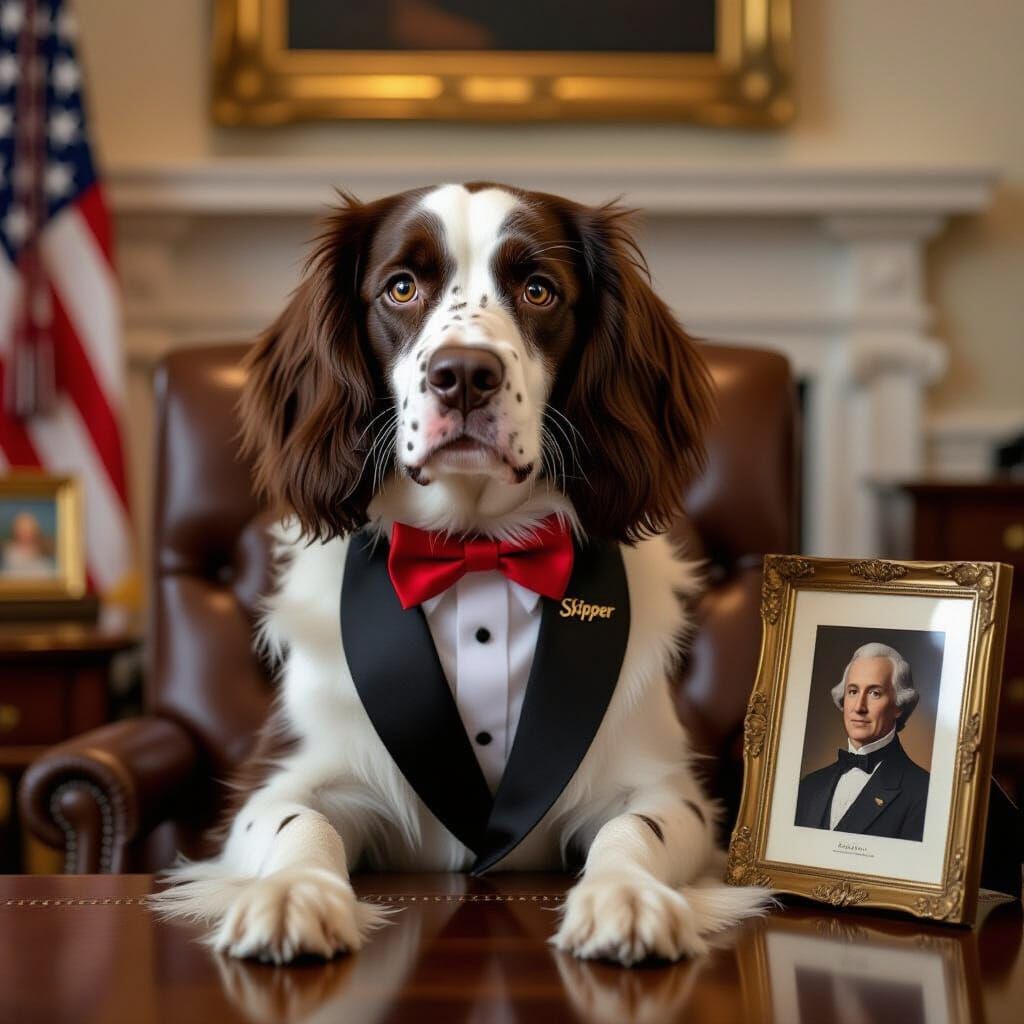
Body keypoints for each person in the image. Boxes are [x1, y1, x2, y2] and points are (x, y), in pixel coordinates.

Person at [795, 642, 929, 841]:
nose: (859, 707)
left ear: (899, 705)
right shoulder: (809, 786)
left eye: (875, 693)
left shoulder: (924, 792)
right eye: (853, 691)